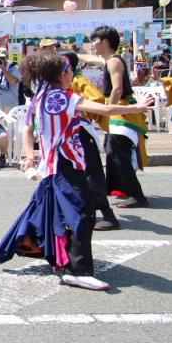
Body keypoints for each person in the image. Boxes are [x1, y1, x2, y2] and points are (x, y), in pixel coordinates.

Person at [0, 53, 153, 291]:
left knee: (54, 211)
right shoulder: (63, 97)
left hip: (53, 165)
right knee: (82, 213)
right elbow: (106, 108)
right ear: (63, 74)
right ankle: (76, 270)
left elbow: (28, 129)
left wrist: (30, 157)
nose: (72, 75)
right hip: (65, 163)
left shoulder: (40, 97)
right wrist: (137, 106)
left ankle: (56, 256)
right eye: (70, 71)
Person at [89, 26, 148, 208]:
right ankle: (120, 188)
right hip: (119, 109)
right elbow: (89, 58)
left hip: (121, 110)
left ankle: (137, 195)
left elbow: (117, 88)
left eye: (95, 41)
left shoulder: (114, 62)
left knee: (118, 152)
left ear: (105, 42)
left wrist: (107, 109)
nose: (92, 45)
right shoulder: (109, 60)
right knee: (112, 149)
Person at [63, 51, 121, 231]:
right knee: (73, 175)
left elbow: (96, 98)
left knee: (92, 173)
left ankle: (107, 214)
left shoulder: (77, 81)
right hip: (69, 134)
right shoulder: (61, 83)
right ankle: (80, 213)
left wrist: (81, 110)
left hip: (81, 133)